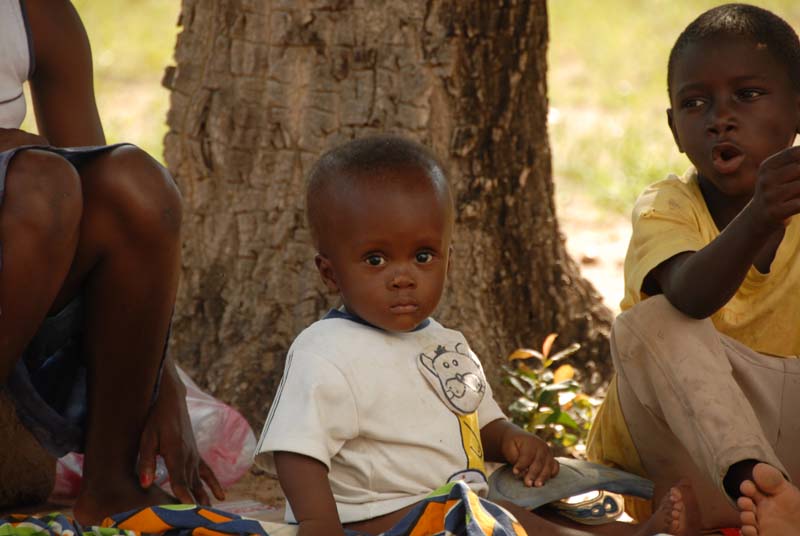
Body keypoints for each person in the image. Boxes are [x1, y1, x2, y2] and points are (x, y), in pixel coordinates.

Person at [254, 135, 695, 536]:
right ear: (330, 272)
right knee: (510, 521)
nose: (403, 277)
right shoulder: (326, 351)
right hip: (380, 518)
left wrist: (510, 440)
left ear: (448, 258)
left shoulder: (447, 343)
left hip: (454, 509)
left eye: (423, 256)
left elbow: (476, 422)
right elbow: (297, 450)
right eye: (375, 260)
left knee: (547, 511)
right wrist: (318, 525)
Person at [0, 0, 223, 524]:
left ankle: (115, 487)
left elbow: (110, 207)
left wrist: (159, 382)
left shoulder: (35, 12)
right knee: (40, 184)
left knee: (135, 184)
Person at [585, 3, 800, 533]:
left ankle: (777, 502)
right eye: (694, 103)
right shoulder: (666, 205)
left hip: (787, 463)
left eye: (747, 95)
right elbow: (688, 296)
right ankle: (758, 487)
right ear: (674, 128)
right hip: (681, 468)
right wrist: (759, 216)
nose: (719, 117)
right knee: (652, 321)